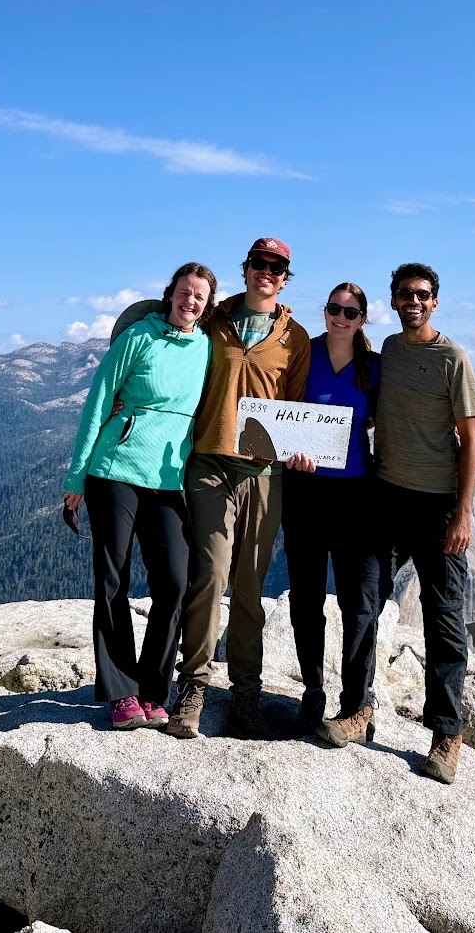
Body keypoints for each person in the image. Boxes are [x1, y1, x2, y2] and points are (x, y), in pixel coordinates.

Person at [317, 262, 475, 784]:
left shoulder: (453, 359)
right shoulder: (388, 350)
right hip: (384, 493)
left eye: (423, 294)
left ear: (435, 302)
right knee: (361, 602)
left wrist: (463, 513)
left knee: (442, 618)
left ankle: (446, 734)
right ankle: (357, 710)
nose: (414, 301)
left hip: (436, 505)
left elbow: (471, 439)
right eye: (405, 294)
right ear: (393, 301)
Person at [164, 237, 311, 740]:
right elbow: (168, 330)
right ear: (245, 270)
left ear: (285, 277)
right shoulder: (214, 320)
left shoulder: (297, 339)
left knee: (249, 586)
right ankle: (194, 686)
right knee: (210, 573)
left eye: (277, 267)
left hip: (265, 475)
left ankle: (246, 693)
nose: (266, 272)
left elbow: (296, 410)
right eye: (259, 264)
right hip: (209, 464)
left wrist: (303, 450)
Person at [62, 263, 216, 731]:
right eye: (185, 293)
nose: (190, 302)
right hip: (115, 469)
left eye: (200, 297)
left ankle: (153, 688)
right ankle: (121, 693)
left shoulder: (206, 348)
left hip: (168, 479)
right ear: (170, 295)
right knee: (113, 577)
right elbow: (98, 401)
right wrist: (76, 479)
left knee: (174, 580)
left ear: (206, 306)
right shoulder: (137, 339)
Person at [281, 283, 381, 735]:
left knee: (359, 601)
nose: (340, 317)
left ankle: (357, 703)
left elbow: (393, 416)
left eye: (350, 311)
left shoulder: (374, 367)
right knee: (306, 597)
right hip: (304, 490)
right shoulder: (305, 352)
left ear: (363, 318)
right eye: (334, 309)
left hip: (356, 495)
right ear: (324, 312)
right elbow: (278, 409)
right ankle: (312, 693)